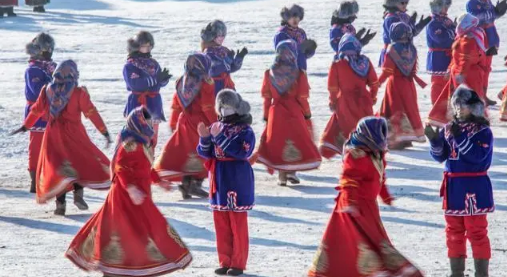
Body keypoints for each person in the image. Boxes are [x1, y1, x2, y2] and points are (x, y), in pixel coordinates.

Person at [66, 107, 192, 277]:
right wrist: (131, 188)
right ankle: (114, 268)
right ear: (138, 122)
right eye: (146, 121)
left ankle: (134, 265)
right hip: (125, 195)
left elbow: (146, 166)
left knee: (142, 228)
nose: (150, 124)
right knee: (122, 229)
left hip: (140, 193)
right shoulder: (131, 143)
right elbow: (121, 168)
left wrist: (159, 181)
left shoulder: (143, 140)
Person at [308, 117, 423, 277]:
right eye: (382, 134)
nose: (384, 138)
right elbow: (349, 179)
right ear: (371, 134)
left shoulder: (376, 153)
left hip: (368, 207)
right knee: (356, 242)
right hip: (352, 206)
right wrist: (350, 202)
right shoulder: (357, 154)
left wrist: (386, 196)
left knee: (374, 240)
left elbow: (380, 179)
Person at [11, 60, 112, 216]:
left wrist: (25, 126)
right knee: (78, 163)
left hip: (53, 136)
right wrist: (104, 131)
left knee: (60, 169)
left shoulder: (47, 90)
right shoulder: (78, 93)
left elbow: (36, 110)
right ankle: (78, 194)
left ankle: (60, 205)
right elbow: (91, 113)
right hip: (75, 134)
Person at [425, 86, 493, 277]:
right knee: (453, 231)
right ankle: (457, 273)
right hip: (453, 188)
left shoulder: (483, 132)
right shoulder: (449, 129)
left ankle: (481, 274)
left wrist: (459, 136)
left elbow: (476, 157)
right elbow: (442, 157)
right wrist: (435, 142)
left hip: (474, 188)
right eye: (455, 106)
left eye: (462, 105)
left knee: (476, 232)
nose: (458, 110)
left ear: (474, 108)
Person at [197, 89, 255, 277]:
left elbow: (242, 152)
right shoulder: (216, 126)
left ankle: (238, 263)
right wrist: (205, 138)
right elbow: (206, 153)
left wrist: (218, 137)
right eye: (222, 107)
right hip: (219, 175)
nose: (224, 111)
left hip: (237, 176)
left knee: (237, 223)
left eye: (228, 107)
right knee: (220, 222)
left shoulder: (246, 130)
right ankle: (225, 260)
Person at [256, 39, 321, 186]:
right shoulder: (299, 73)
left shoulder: (269, 73)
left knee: (277, 141)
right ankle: (292, 172)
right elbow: (302, 98)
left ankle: (282, 175)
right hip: (294, 111)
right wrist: (307, 114)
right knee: (296, 139)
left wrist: (267, 116)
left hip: (275, 113)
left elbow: (267, 98)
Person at [155, 53, 215, 199]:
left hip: (185, 121)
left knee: (184, 152)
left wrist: (174, 121)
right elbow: (207, 106)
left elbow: (176, 103)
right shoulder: (205, 83)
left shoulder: (183, 81)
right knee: (204, 152)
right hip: (201, 122)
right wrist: (216, 123)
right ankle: (195, 184)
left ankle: (186, 184)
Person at [320, 34, 379, 159]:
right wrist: (372, 98)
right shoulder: (365, 62)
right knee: (364, 127)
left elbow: (333, 87)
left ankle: (350, 155)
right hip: (364, 101)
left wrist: (333, 101)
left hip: (345, 101)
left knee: (347, 126)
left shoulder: (337, 64)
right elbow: (374, 83)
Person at [428, 13, 489, 127]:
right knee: (471, 97)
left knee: (464, 98)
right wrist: (450, 69)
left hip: (466, 76)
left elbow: (464, 59)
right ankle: (472, 120)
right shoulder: (476, 35)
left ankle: (467, 122)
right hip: (470, 74)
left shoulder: (467, 39)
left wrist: (461, 73)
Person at [378, 22, 427, 149]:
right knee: (409, 108)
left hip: (395, 84)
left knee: (395, 108)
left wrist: (377, 82)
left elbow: (387, 70)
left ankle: (397, 137)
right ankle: (408, 137)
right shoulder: (412, 49)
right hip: (409, 84)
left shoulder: (392, 49)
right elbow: (413, 69)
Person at [123, 31, 171, 150]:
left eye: (150, 45)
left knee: (153, 135)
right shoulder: (130, 65)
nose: (148, 48)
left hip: (153, 102)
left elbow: (158, 82)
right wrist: (156, 79)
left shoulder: (153, 63)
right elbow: (136, 85)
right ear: (137, 46)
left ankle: (150, 157)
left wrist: (163, 80)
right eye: (145, 45)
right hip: (137, 102)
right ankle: (136, 160)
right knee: (136, 133)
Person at [24, 32, 57, 193]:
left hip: (52, 111)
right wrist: (54, 83)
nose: (48, 53)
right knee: (37, 145)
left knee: (53, 145)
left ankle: (51, 176)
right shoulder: (33, 70)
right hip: (37, 112)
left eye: (50, 50)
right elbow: (39, 91)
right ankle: (34, 179)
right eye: (46, 50)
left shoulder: (51, 68)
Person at [467, 0, 507, 106]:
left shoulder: (487, 1)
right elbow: (477, 17)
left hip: (491, 38)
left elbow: (490, 17)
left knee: (487, 69)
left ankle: (484, 95)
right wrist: (494, 13)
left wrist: (499, 12)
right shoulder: (472, 3)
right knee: (481, 68)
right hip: (480, 38)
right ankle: (479, 96)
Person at [200, 20, 248, 96]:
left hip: (227, 86)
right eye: (219, 34)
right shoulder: (208, 52)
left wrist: (239, 58)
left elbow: (231, 68)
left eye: (223, 34)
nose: (222, 37)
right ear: (212, 35)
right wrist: (227, 60)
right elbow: (212, 70)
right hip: (215, 88)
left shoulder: (223, 50)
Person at [379, 0, 431, 67]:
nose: (405, 5)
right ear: (392, 3)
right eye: (402, 2)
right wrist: (411, 27)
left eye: (406, 2)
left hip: (404, 50)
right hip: (393, 52)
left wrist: (419, 26)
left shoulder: (404, 16)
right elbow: (397, 36)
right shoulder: (391, 18)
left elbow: (410, 33)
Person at [426, 0, 456, 105]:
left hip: (448, 56)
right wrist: (452, 31)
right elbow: (441, 38)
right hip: (438, 57)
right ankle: (436, 106)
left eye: (447, 5)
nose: (447, 8)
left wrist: (452, 30)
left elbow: (454, 34)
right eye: (444, 6)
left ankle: (446, 106)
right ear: (437, 7)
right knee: (438, 83)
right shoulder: (432, 22)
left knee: (449, 82)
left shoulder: (447, 20)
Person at [274, 4, 317, 71]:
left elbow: (304, 55)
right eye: (292, 17)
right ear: (286, 18)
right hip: (286, 72)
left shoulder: (301, 32)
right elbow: (280, 53)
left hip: (302, 69)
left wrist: (310, 50)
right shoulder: (282, 33)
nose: (295, 19)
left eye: (297, 17)